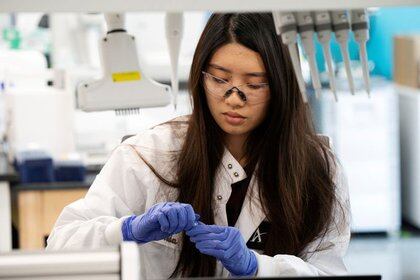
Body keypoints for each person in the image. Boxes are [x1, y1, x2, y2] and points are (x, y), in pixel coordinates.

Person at [47, 13, 350, 278]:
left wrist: (258, 268)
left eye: (255, 84)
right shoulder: (150, 155)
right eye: (219, 79)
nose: (234, 98)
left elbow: (327, 270)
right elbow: (62, 245)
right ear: (200, 77)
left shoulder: (318, 168)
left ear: (282, 86)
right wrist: (126, 230)